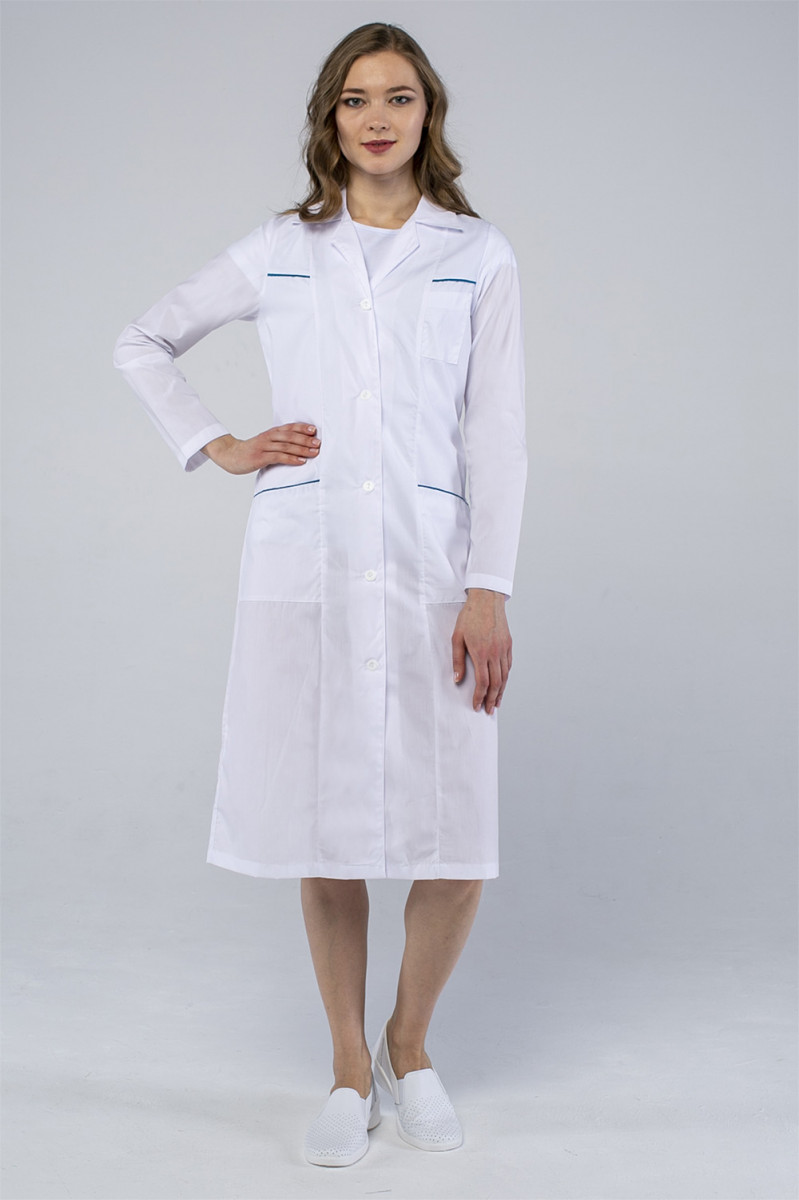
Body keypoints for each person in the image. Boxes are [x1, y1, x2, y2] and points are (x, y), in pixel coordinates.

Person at [113, 21, 526, 1168]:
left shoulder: (475, 253)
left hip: (436, 570)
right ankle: (349, 1067)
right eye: (355, 98)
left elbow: (497, 433)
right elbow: (143, 341)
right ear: (328, 118)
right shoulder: (282, 248)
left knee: (456, 838)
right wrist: (217, 443)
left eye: (398, 97)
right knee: (325, 827)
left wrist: (488, 586)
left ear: (428, 113)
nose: (376, 118)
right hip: (309, 568)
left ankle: (410, 1044)